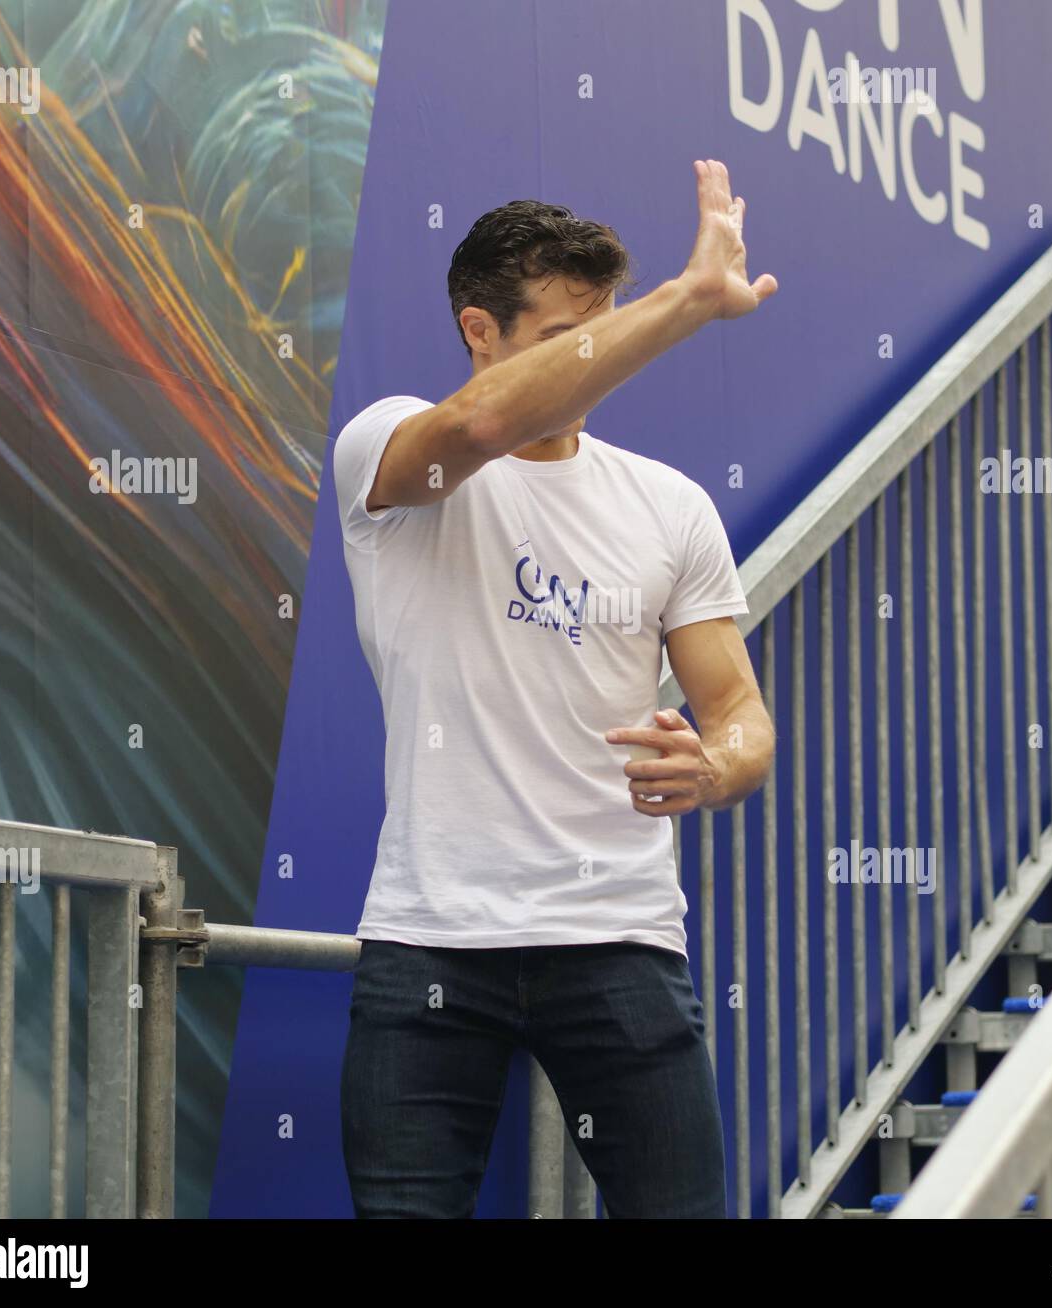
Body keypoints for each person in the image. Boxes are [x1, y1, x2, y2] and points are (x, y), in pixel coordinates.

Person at [334, 159, 777, 1218]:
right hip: (431, 936)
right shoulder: (388, 449)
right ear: (477, 332)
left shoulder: (670, 509)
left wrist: (716, 767)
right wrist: (683, 302)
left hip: (619, 939)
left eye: (606, 330)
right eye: (562, 342)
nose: (596, 364)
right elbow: (480, 430)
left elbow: (741, 716)